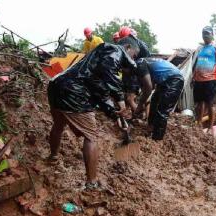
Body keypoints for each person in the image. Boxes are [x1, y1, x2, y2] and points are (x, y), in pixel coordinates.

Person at [47, 37, 139, 189]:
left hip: (56, 85)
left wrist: (115, 114)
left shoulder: (97, 59)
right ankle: (92, 183)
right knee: (91, 136)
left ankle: (53, 157)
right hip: (73, 91)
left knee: (58, 124)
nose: (131, 60)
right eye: (133, 55)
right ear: (127, 47)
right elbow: (108, 76)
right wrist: (120, 99)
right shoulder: (114, 50)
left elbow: (100, 92)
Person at [133, 57, 184, 140]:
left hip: (174, 79)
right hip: (165, 80)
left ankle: (157, 139)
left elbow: (149, 88)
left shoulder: (139, 64)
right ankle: (150, 127)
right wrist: (144, 100)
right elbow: (150, 87)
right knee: (154, 102)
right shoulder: (143, 63)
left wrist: (140, 104)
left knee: (162, 110)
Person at [192, 26, 216, 135]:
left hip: (211, 80)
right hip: (198, 80)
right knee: (199, 103)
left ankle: (211, 128)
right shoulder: (200, 49)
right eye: (203, 33)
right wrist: (193, 77)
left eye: (207, 33)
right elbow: (197, 64)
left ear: (212, 35)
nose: (205, 35)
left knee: (211, 104)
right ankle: (198, 124)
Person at [119, 26, 151, 114]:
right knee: (143, 95)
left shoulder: (135, 46)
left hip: (135, 74)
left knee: (130, 98)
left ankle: (138, 114)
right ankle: (143, 115)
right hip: (140, 73)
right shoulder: (140, 44)